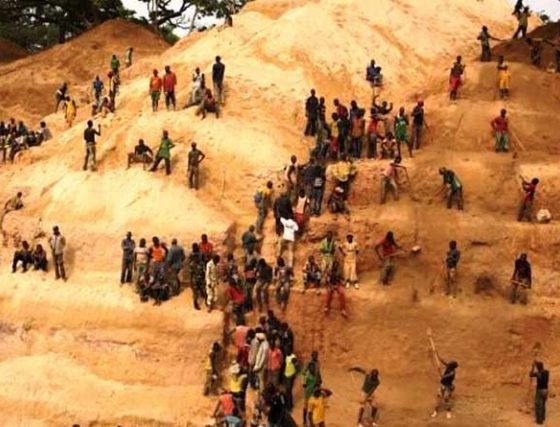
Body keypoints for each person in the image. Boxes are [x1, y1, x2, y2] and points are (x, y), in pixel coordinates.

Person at [188, 243, 206, 310]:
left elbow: (203, 270)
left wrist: (204, 277)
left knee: (202, 289)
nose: (196, 258)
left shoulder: (201, 262)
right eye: (195, 257)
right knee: (195, 293)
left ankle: (204, 298)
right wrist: (190, 282)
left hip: (201, 278)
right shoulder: (192, 264)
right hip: (195, 279)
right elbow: (191, 273)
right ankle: (195, 304)